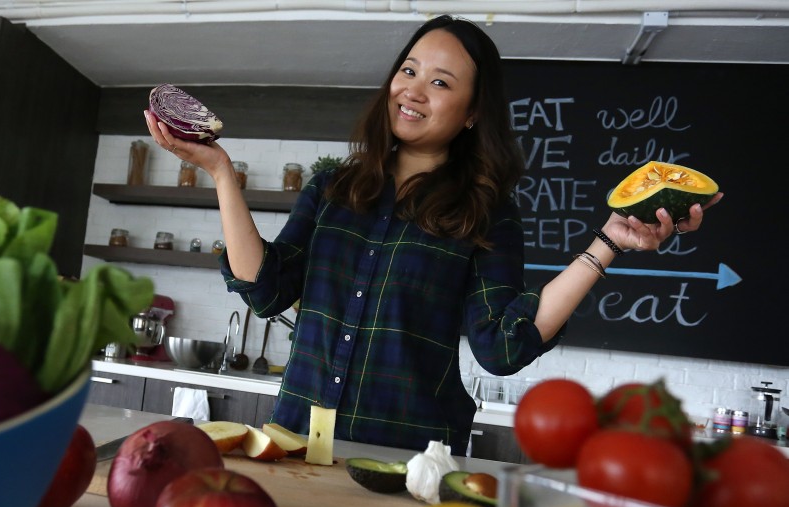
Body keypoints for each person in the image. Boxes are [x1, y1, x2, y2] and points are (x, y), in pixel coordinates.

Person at [144, 15, 721, 455]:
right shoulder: (330, 188)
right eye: (409, 70)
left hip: (406, 455)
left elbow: (503, 346)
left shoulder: (487, 213)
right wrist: (221, 171)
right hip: (295, 437)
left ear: (472, 112)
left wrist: (608, 244)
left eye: (441, 82)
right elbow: (265, 288)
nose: (414, 90)